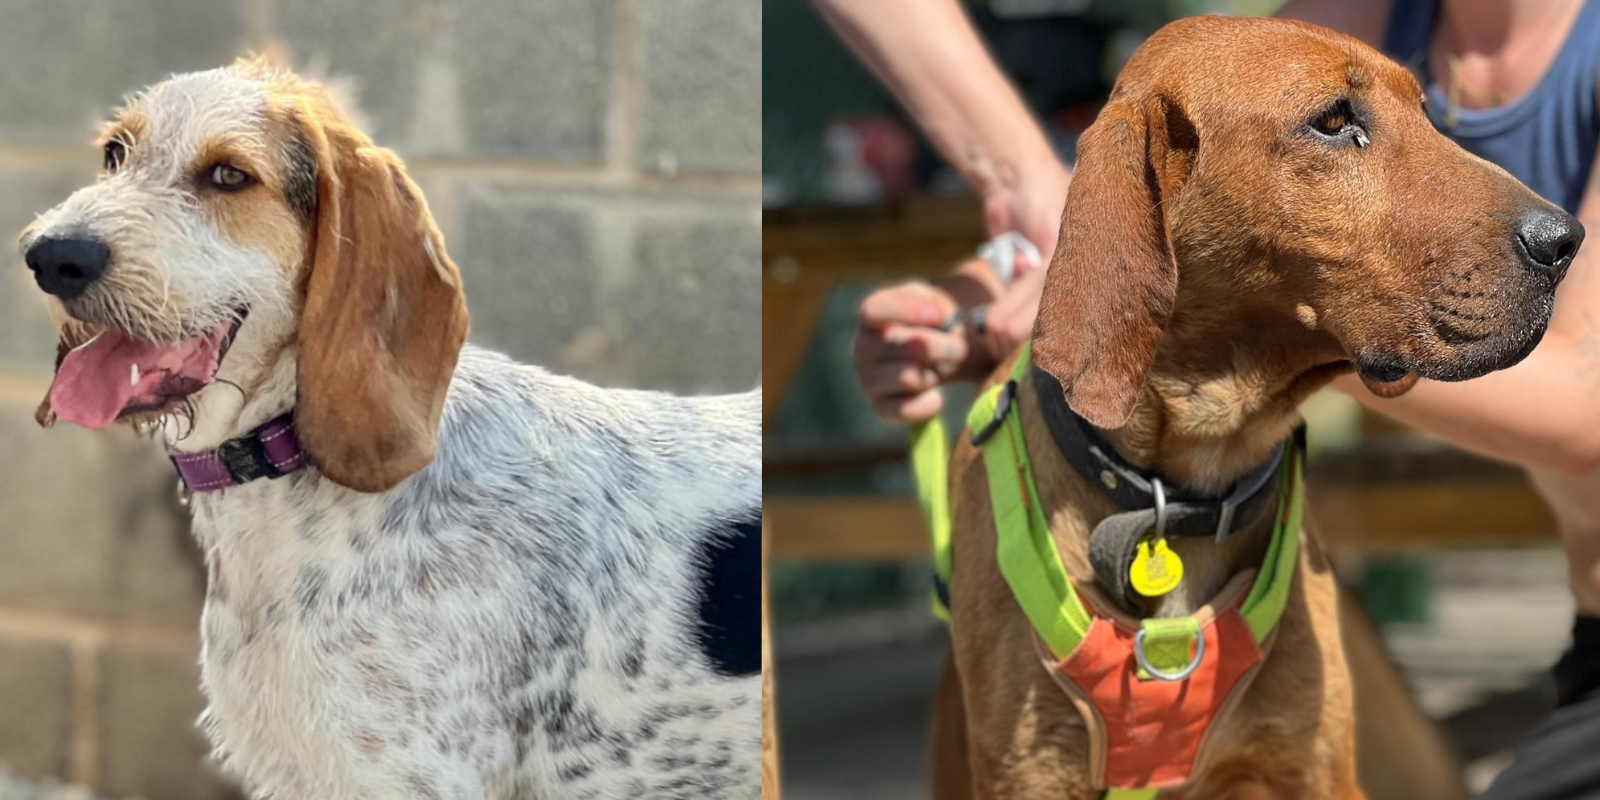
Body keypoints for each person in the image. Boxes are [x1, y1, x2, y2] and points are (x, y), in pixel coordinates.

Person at [823, 0, 1600, 797]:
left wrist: (1309, 335)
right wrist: (982, 303)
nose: (1530, 219)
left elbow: (1583, 409)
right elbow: (1115, 213)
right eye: (1338, 124)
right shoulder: (1352, 15)